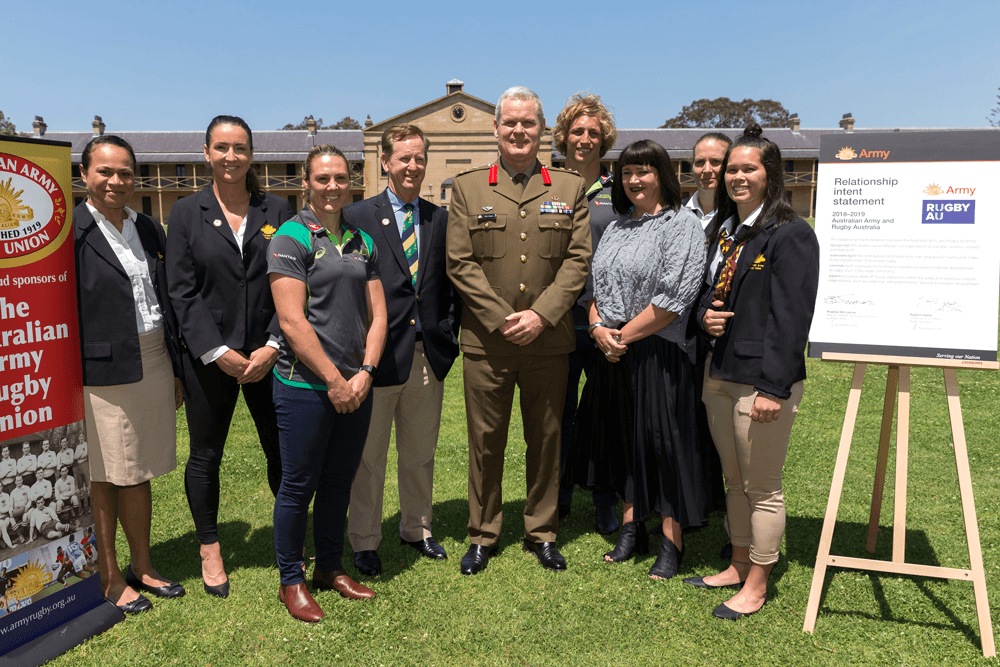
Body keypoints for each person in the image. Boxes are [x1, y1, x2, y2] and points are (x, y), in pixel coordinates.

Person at [446, 86, 592, 575]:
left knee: (547, 439)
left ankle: (542, 532)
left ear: (541, 130)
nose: (518, 131)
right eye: (510, 122)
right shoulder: (468, 187)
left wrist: (540, 315)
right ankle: (483, 534)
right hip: (487, 342)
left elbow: (577, 260)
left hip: (548, 341)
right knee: (485, 442)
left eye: (528, 123)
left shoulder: (569, 187)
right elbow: (460, 263)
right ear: (495, 128)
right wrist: (501, 318)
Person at [683, 124, 819, 620]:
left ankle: (758, 583)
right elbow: (704, 293)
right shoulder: (725, 229)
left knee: (762, 486)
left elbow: (791, 318)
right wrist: (704, 316)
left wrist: (772, 388)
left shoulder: (791, 233)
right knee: (733, 480)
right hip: (719, 374)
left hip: (761, 382)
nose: (736, 176)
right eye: (730, 169)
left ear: (770, 175)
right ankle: (738, 562)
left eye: (748, 169)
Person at [167, 115, 292, 599]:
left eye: (240, 148)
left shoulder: (277, 209)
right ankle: (210, 547)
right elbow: (181, 291)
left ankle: (288, 537)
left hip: (268, 354)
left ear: (252, 154)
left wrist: (273, 344)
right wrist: (217, 350)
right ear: (206, 153)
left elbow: (292, 283)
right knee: (205, 456)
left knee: (280, 451)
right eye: (222, 147)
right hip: (209, 358)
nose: (231, 157)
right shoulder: (185, 212)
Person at [572, 139, 707, 581]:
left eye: (644, 171)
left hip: (658, 352)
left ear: (662, 174)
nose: (634, 180)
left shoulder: (681, 225)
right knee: (625, 441)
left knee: (664, 446)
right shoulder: (616, 227)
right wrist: (597, 329)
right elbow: (595, 291)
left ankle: (672, 539)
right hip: (615, 351)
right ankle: (632, 528)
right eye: (627, 172)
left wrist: (620, 337)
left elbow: (674, 298)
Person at [268, 144, 388, 622]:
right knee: (298, 486)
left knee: (340, 481)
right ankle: (291, 580)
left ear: (351, 181)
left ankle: (330, 568)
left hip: (356, 385)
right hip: (305, 387)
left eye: (341, 178)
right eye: (323, 179)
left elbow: (379, 315)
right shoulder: (290, 238)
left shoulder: (364, 240)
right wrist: (337, 382)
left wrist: (366, 374)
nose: (333, 187)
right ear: (306, 181)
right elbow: (292, 323)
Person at [75, 134, 186, 614]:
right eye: (105, 171)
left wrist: (178, 370)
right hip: (102, 369)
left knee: (137, 470)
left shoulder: (147, 227)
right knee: (105, 474)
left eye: (124, 172)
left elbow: (165, 297)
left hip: (153, 358)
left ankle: (144, 564)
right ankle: (109, 575)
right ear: (84, 176)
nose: (116, 180)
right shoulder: (71, 231)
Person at [345, 125, 460, 576]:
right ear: (386, 162)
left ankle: (417, 528)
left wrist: (445, 335)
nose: (413, 166)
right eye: (404, 158)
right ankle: (365, 539)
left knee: (419, 452)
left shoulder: (439, 218)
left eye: (419, 158)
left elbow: (448, 287)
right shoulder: (358, 216)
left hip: (425, 357)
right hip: (374, 360)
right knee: (369, 458)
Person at [551, 93, 620, 534]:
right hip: (557, 323)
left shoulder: (622, 192)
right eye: (577, 131)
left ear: (604, 139)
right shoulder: (546, 186)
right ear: (563, 137)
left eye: (593, 132)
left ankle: (604, 498)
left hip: (609, 325)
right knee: (556, 417)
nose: (585, 139)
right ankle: (554, 498)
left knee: (605, 415)